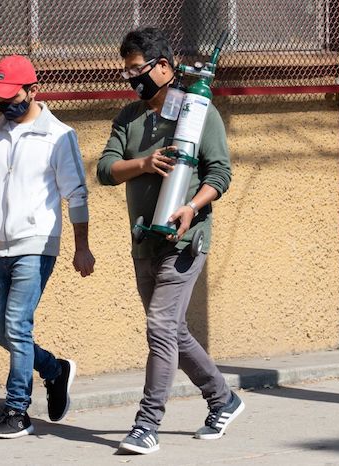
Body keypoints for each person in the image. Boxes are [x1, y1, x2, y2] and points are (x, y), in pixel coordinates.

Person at [96, 28, 244, 454]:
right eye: (126, 72)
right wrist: (141, 163)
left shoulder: (199, 112)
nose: (132, 79)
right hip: (144, 239)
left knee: (160, 326)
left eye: (137, 70)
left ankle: (147, 424)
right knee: (172, 331)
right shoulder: (129, 118)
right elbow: (105, 170)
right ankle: (223, 398)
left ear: (164, 66)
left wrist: (192, 208)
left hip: (185, 238)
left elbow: (220, 174)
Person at [0, 55, 95, 439]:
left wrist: (81, 247)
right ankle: (54, 369)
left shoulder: (58, 135)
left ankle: (17, 410)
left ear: (33, 90)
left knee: (17, 323)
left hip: (37, 243)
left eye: (11, 95)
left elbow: (77, 194)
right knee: (0, 330)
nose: (4, 104)